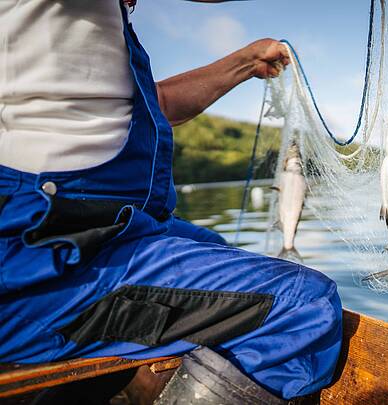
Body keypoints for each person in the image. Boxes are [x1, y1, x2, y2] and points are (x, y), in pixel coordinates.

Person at [0, 0, 343, 403]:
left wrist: (245, 63)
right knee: (302, 307)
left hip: (107, 231)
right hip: (37, 262)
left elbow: (151, 106)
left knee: (215, 250)